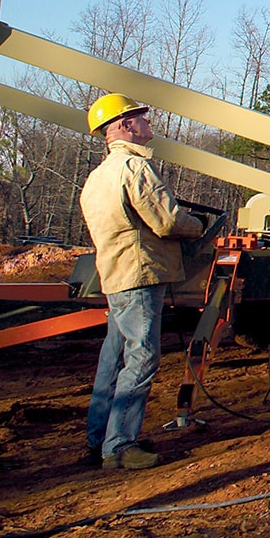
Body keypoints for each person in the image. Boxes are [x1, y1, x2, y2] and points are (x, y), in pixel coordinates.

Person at [80, 93, 204, 470]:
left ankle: (99, 439)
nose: (149, 123)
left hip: (116, 276)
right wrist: (197, 225)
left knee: (113, 360)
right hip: (140, 274)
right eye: (142, 118)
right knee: (141, 357)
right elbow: (167, 221)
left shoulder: (96, 177)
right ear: (125, 126)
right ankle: (119, 447)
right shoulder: (135, 169)